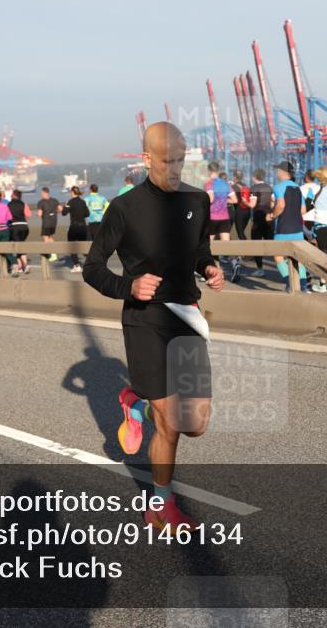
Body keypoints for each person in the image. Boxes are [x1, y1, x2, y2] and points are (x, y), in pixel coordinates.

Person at [83, 122, 224, 532]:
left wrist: (209, 267)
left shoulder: (197, 200)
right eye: (167, 160)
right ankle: (161, 506)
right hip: (145, 320)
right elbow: (92, 269)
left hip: (186, 317)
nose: (175, 168)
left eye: (181, 159)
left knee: (195, 424)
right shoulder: (124, 208)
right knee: (171, 422)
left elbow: (199, 250)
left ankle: (136, 402)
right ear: (147, 160)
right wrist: (129, 286)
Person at [271, 160, 309, 292]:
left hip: (283, 227)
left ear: (282, 172)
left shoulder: (278, 187)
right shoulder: (297, 188)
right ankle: (303, 285)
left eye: (278, 170)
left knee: (278, 256)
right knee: (298, 258)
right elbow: (303, 210)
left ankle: (289, 283)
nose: (276, 172)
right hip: (298, 227)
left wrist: (272, 215)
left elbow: (280, 205)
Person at [206, 163, 240, 281]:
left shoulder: (209, 184)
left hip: (212, 218)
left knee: (209, 245)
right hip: (224, 217)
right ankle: (235, 264)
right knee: (226, 245)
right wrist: (223, 201)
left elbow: (210, 199)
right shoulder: (225, 184)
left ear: (209, 171)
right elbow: (235, 200)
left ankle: (216, 270)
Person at [248, 168, 274, 277]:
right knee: (271, 242)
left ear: (254, 177)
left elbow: (252, 205)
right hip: (268, 217)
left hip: (258, 217)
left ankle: (260, 269)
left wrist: (245, 201)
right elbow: (273, 202)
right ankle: (282, 266)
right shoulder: (269, 187)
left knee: (256, 243)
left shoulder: (253, 188)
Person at [63, 185, 90, 272]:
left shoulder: (70, 202)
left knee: (72, 246)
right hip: (83, 226)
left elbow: (64, 213)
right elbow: (87, 214)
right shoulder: (82, 202)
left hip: (74, 227)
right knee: (83, 246)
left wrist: (66, 206)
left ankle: (77, 265)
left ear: (72, 192)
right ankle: (92, 262)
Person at [7, 189, 32, 275]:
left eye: (11, 194)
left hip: (15, 227)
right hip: (25, 227)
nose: (10, 196)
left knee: (19, 247)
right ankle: (20, 266)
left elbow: (8, 217)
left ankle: (25, 265)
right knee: (20, 245)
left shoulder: (9, 205)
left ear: (14, 195)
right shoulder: (24, 204)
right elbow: (29, 214)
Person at [35, 187, 61, 261]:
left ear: (44, 193)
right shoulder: (54, 200)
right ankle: (54, 252)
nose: (41, 195)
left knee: (46, 238)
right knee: (49, 237)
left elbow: (40, 214)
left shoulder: (41, 202)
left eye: (41, 193)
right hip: (54, 222)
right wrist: (54, 213)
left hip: (46, 222)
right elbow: (61, 209)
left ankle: (50, 254)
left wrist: (37, 214)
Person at [231, 170, 252, 242]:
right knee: (242, 232)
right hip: (247, 211)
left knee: (240, 233)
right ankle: (244, 252)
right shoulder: (246, 186)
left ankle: (246, 251)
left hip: (239, 212)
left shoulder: (233, 187)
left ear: (234, 177)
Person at [300, 169, 321, 242]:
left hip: (303, 220)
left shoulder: (300, 189)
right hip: (317, 219)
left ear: (306, 177)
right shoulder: (320, 188)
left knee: (304, 244)